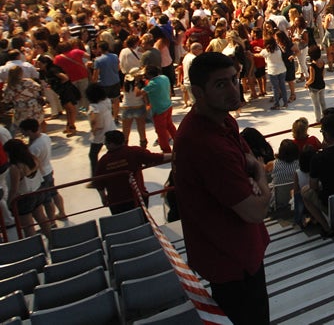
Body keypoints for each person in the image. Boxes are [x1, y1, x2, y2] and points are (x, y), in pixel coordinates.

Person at [173, 52, 271, 325]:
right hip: (231, 261)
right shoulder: (205, 144)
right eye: (220, 84)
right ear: (197, 92)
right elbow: (255, 211)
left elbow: (246, 158)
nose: (233, 89)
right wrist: (261, 176)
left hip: (239, 251)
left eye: (234, 79)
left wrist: (251, 172)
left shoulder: (223, 120)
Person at [95, 129, 170, 213]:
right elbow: (155, 158)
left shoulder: (103, 161)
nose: (105, 145)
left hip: (116, 201)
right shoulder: (135, 151)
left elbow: (99, 182)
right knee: (143, 221)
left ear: (111, 144)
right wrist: (174, 155)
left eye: (106, 143)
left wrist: (103, 198)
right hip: (138, 197)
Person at [19, 118, 67, 222]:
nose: (22, 133)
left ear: (29, 131)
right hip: (48, 169)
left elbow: (32, 164)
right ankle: (62, 213)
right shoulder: (45, 137)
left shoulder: (34, 148)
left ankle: (52, 221)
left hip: (42, 175)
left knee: (47, 200)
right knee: (54, 193)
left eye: (23, 131)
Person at [4, 138, 49, 237]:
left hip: (24, 199)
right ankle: (53, 241)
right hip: (37, 191)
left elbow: (14, 189)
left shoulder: (15, 168)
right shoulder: (33, 158)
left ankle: (36, 248)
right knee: (42, 218)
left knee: (28, 227)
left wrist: (9, 204)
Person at [140, 65, 176, 153]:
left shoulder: (152, 84)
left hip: (159, 110)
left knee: (161, 131)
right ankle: (179, 140)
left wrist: (138, 82)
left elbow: (139, 93)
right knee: (170, 125)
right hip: (168, 106)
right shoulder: (164, 78)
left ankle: (166, 150)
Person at [85, 83, 115, 176]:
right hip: (111, 128)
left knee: (93, 155)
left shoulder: (94, 106)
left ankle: (96, 177)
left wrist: (93, 130)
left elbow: (94, 120)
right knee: (113, 153)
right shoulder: (107, 101)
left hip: (100, 133)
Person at [305, 44, 326, 122]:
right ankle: (326, 117)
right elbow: (323, 74)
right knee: (323, 102)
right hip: (321, 84)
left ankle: (318, 120)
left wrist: (307, 84)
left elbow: (312, 79)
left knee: (316, 105)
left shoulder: (312, 66)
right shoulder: (322, 62)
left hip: (314, 87)